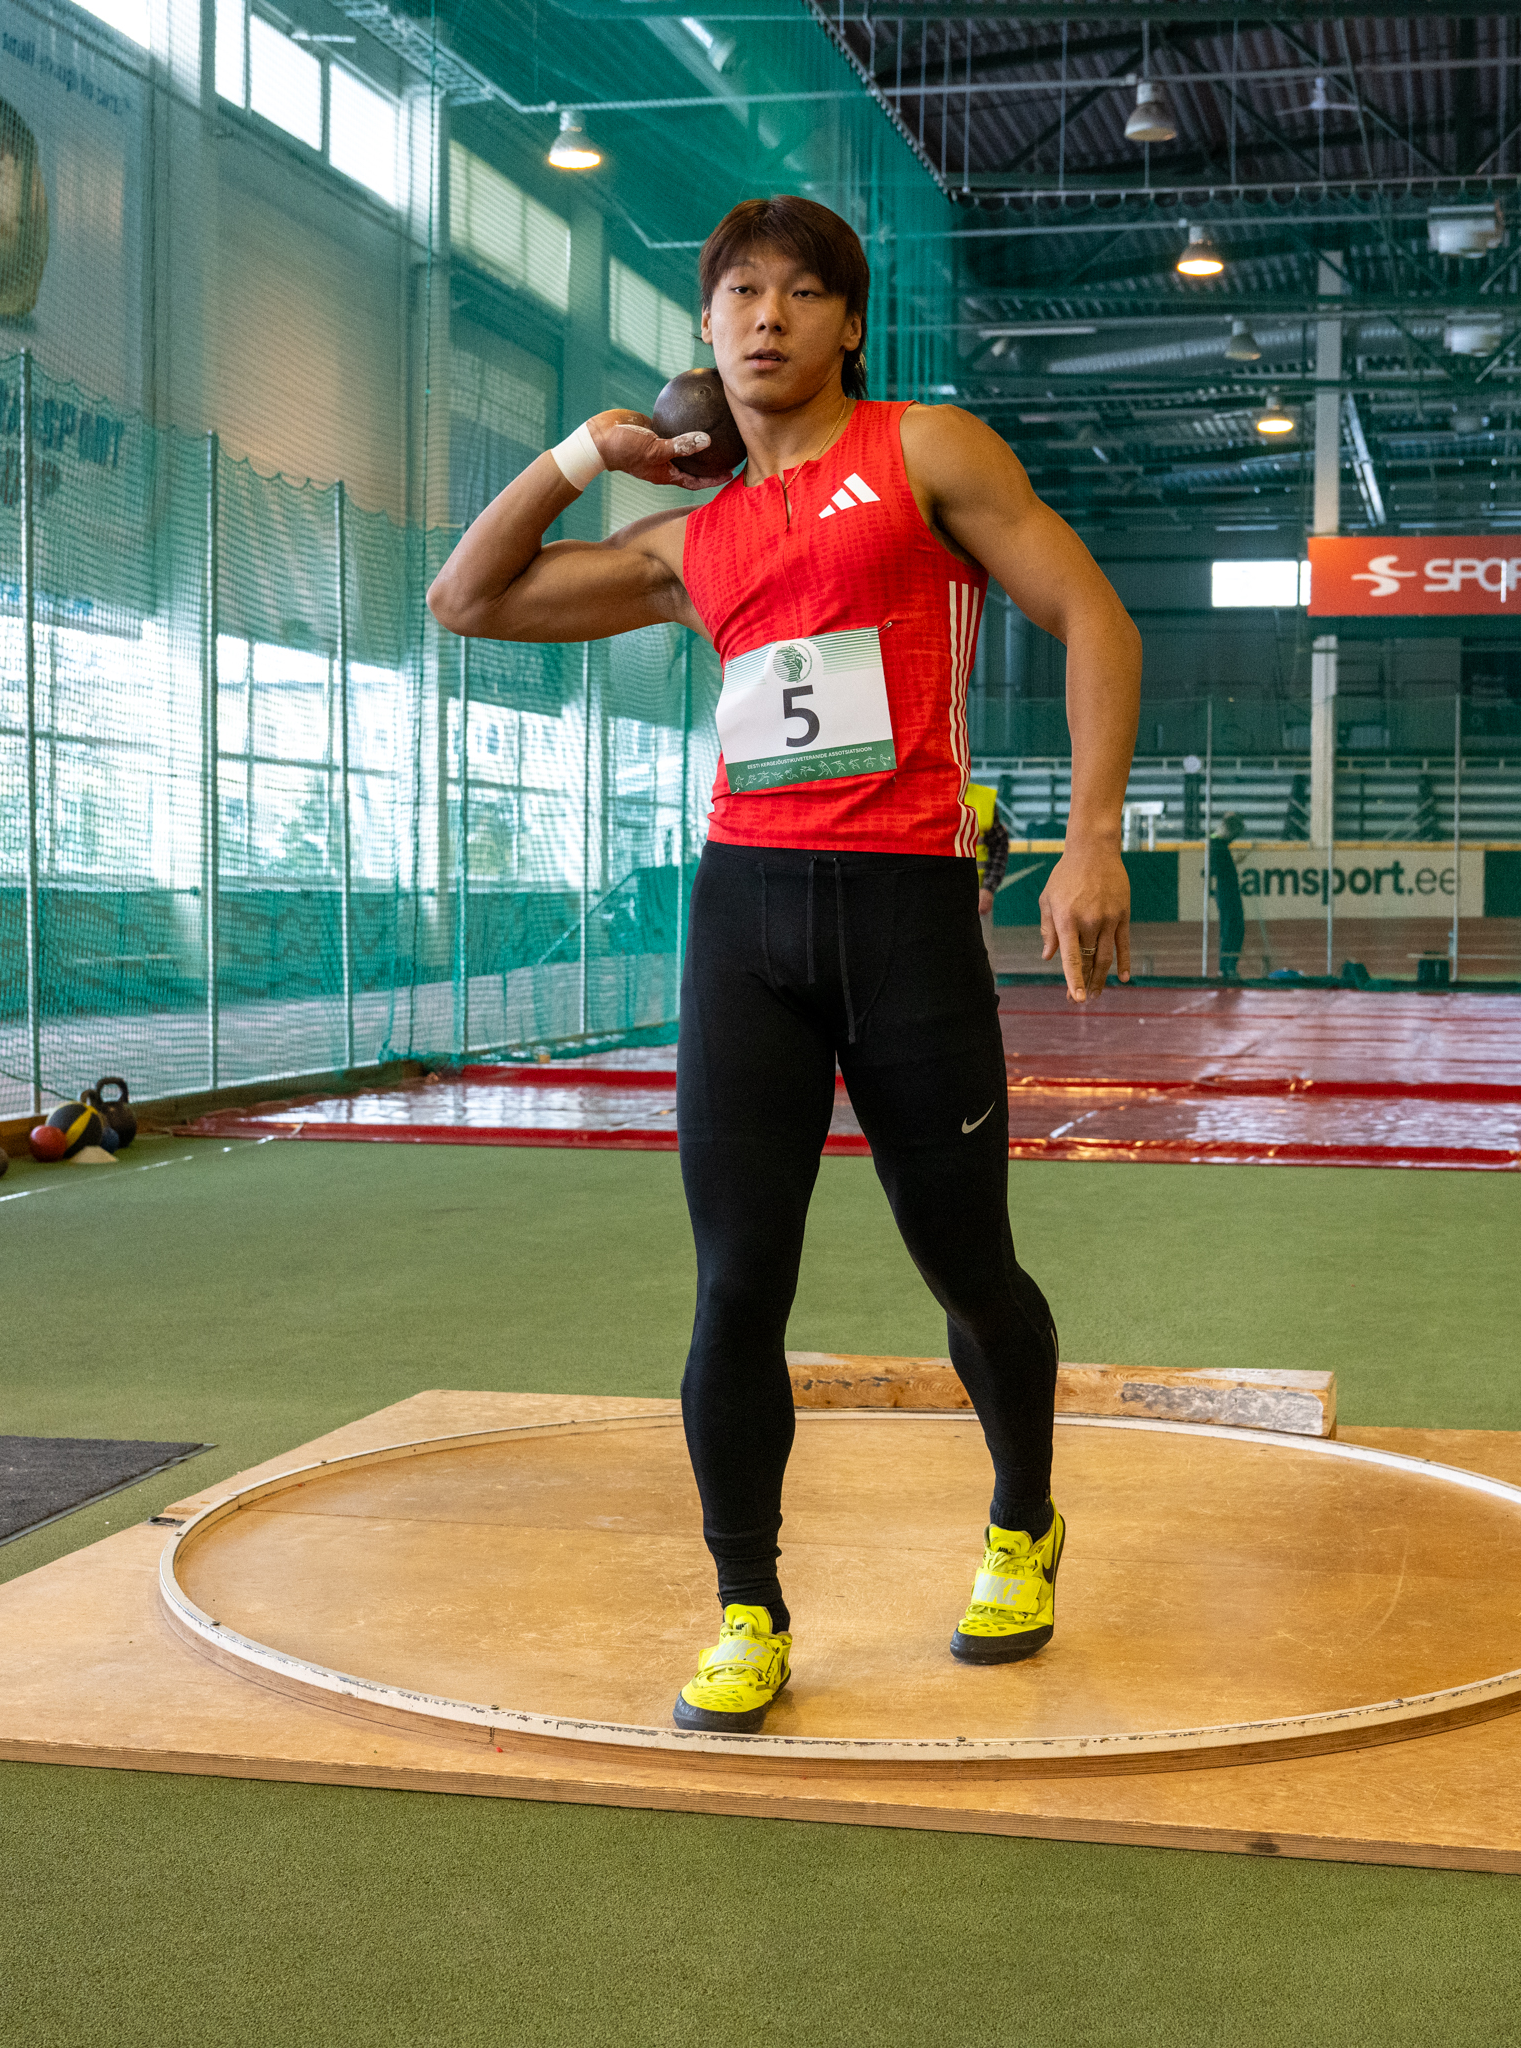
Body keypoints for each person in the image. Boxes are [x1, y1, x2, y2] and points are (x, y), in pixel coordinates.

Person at [428, 196, 1141, 1734]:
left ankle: (1023, 1521)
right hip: (744, 917)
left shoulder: (926, 451)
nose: (768, 315)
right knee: (737, 1283)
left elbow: (1092, 614)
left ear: (850, 324)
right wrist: (585, 454)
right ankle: (747, 1608)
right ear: (705, 328)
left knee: (968, 1266)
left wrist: (1092, 836)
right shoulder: (690, 542)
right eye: (739, 291)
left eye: (803, 292)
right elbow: (465, 600)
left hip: (908, 912)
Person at [1208, 811, 1247, 981]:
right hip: (1227, 891)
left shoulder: (1219, 844)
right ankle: (1227, 967)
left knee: (1233, 927)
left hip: (1227, 890)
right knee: (1232, 928)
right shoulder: (1217, 843)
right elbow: (1218, 868)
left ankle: (1228, 966)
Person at [965, 780, 1011, 917]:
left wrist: (988, 888)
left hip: (977, 900)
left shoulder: (983, 799)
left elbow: (999, 845)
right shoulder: (920, 797)